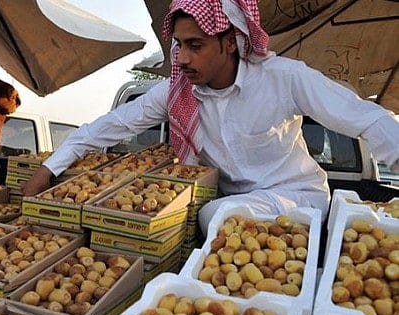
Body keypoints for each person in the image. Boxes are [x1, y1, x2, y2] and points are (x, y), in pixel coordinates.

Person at [22, 0, 399, 237]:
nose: (181, 58)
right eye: (179, 46)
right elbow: (108, 126)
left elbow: (365, 117)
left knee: (217, 213)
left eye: (195, 46)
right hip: (228, 209)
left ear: (230, 42)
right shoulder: (175, 92)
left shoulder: (283, 78)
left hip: (296, 199)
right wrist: (50, 169)